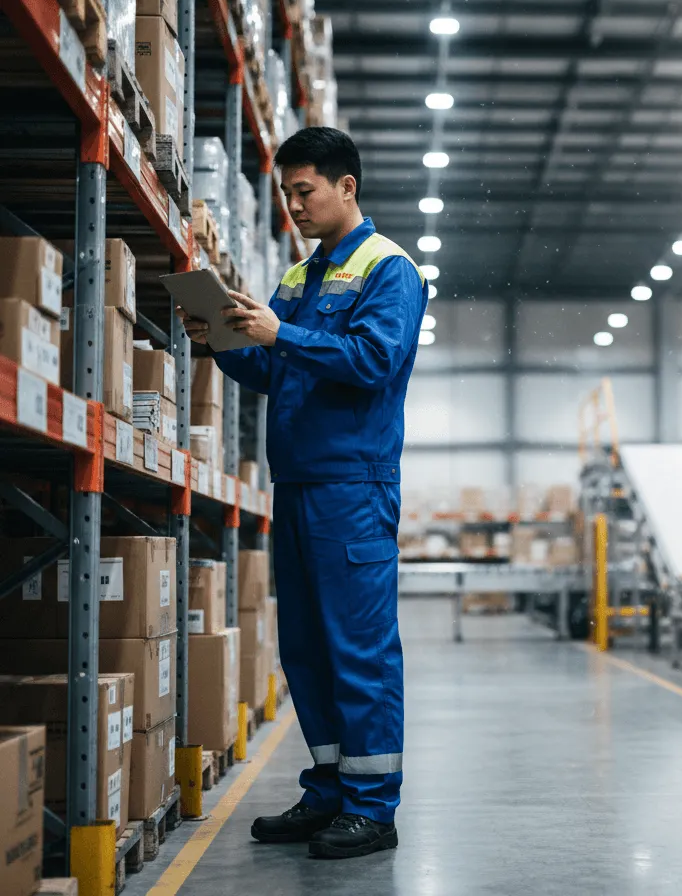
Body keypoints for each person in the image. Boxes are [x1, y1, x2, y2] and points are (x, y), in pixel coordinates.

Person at [177, 127, 428, 859]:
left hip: (353, 486)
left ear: (347, 187)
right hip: (298, 487)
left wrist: (280, 333)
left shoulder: (389, 270)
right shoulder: (297, 278)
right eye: (286, 193)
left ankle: (372, 809)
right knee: (308, 651)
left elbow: (374, 359)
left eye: (303, 191)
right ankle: (328, 794)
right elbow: (276, 374)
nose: (293, 206)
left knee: (360, 651)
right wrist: (226, 343)